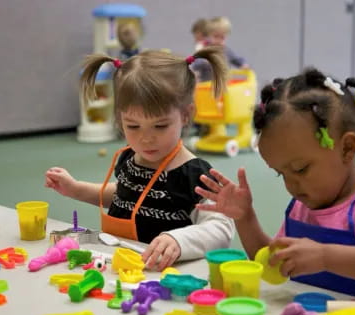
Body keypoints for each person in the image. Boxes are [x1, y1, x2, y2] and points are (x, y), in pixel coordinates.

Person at [195, 68, 355, 301]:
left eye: (301, 169)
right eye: (280, 174)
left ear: (347, 148)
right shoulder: (302, 207)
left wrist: (326, 257)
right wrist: (245, 217)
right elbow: (273, 264)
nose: (291, 185)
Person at [45, 47, 234, 271]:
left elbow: (222, 226)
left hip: (165, 276)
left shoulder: (194, 174)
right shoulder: (129, 158)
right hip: (119, 268)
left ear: (185, 114)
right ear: (119, 118)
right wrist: (76, 189)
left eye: (160, 125)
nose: (146, 139)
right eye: (133, 126)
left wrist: (179, 241)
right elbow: (126, 195)